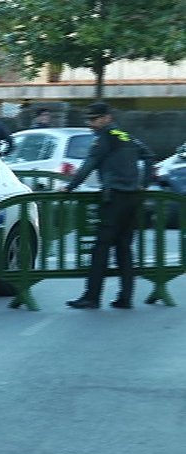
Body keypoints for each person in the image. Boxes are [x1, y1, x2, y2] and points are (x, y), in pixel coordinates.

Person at [63, 102, 148, 310]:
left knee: (101, 249)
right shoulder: (125, 136)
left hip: (115, 199)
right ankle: (125, 298)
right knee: (124, 249)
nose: (90, 124)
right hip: (133, 198)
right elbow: (149, 155)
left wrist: (70, 188)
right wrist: (143, 184)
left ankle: (92, 297)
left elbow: (89, 164)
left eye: (94, 119)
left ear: (106, 118)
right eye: (89, 120)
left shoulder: (104, 138)